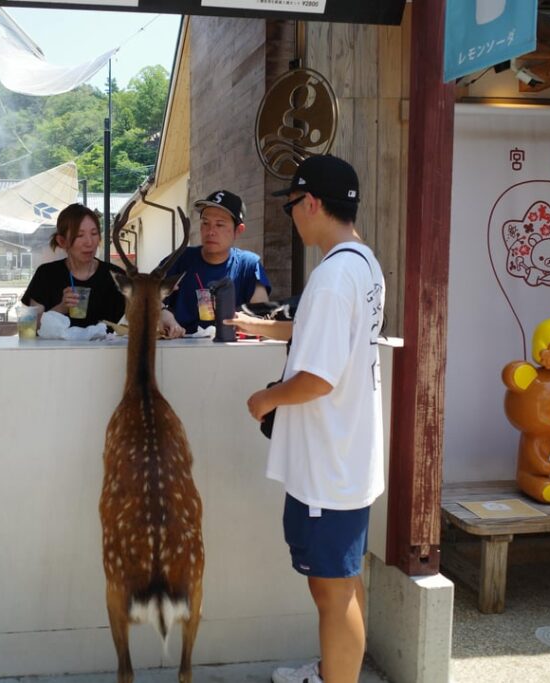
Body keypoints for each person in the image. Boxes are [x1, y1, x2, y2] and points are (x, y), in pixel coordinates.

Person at [229, 155, 385, 683]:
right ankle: (329, 672)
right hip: (347, 453)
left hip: (327, 463)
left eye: (293, 204)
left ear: (312, 203)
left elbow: (319, 378)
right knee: (343, 578)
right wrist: (266, 330)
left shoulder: (331, 276)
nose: (293, 215)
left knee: (331, 590)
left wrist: (266, 400)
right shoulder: (363, 264)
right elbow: (324, 338)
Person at [158, 189, 271, 338]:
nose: (210, 231)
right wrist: (161, 312)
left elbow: (261, 314)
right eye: (205, 223)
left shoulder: (249, 265)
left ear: (238, 230)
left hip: (230, 350)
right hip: (182, 348)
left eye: (219, 225)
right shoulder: (179, 259)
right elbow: (141, 298)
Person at [21, 203, 126, 328]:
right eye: (79, 235)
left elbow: (133, 322)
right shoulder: (47, 274)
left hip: (103, 348)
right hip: (57, 348)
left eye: (94, 233)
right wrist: (61, 308)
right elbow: (30, 326)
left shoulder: (116, 276)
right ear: (62, 241)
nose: (89, 242)